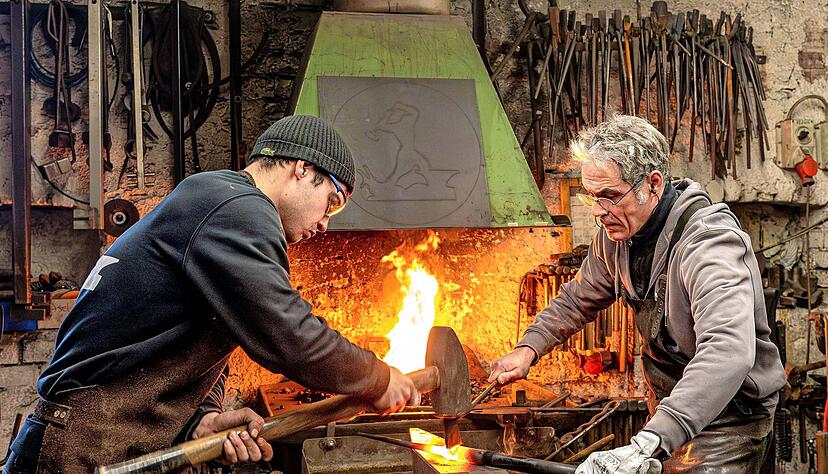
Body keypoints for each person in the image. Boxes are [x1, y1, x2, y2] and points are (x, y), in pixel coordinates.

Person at [4, 115, 420, 473]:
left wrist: (202, 419)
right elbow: (289, 335)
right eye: (331, 201)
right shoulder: (238, 206)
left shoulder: (216, 202)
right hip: (82, 447)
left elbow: (203, 337)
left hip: (104, 440)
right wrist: (378, 377)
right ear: (300, 168)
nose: (326, 223)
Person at [488, 115, 786, 473]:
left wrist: (651, 439)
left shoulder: (709, 245)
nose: (599, 211)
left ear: (653, 184)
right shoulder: (619, 236)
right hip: (670, 409)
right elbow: (576, 298)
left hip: (728, 418)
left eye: (610, 196)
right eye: (592, 197)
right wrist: (528, 348)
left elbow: (728, 351)